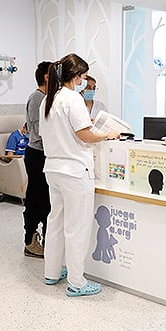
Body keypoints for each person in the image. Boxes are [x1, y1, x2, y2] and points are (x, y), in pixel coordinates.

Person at [39, 53, 120, 297]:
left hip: (53, 169)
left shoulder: (48, 100)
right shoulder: (73, 99)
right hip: (74, 172)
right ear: (75, 76)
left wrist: (87, 124)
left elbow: (63, 129)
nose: (85, 82)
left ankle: (51, 273)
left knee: (55, 222)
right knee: (77, 227)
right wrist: (107, 135)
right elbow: (84, 135)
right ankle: (77, 282)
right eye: (84, 77)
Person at [22, 61, 52, 258]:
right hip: (37, 155)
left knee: (48, 202)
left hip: (47, 154)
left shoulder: (47, 98)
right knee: (36, 200)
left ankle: (48, 240)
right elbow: (39, 130)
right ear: (47, 78)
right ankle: (30, 241)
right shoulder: (37, 98)